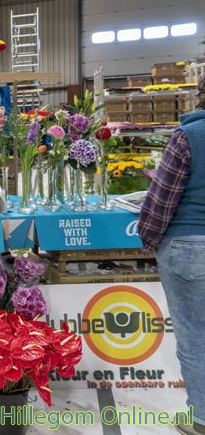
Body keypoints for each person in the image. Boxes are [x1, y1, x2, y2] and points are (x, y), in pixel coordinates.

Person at [139, 109, 205, 435]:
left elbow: (161, 202)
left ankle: (201, 420)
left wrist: (148, 238)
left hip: (189, 246)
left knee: (194, 336)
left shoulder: (189, 136)